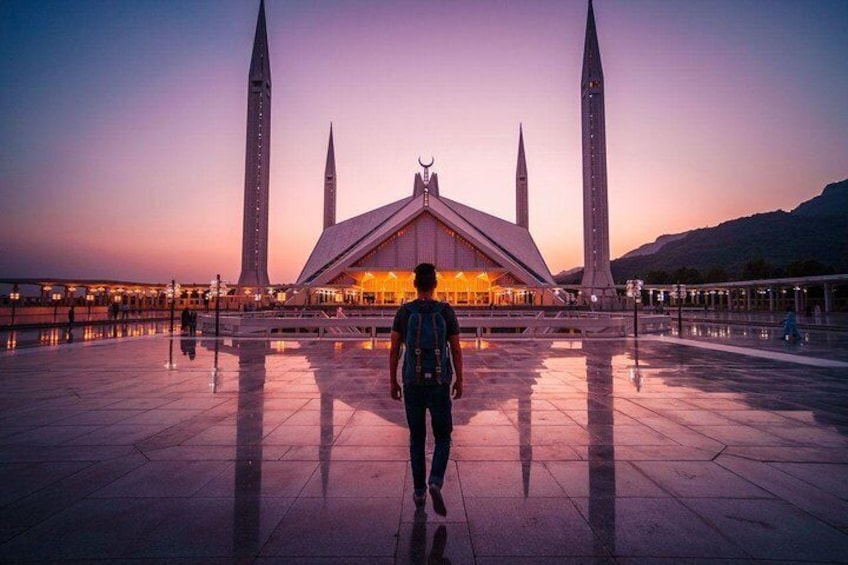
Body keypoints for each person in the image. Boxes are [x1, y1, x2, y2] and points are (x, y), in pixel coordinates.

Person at [389, 263, 463, 516]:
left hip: (412, 383)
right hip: (440, 384)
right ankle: (435, 480)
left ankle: (419, 492)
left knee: (417, 439)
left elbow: (395, 349)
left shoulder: (405, 312)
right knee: (443, 437)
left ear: (415, 284)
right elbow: (455, 348)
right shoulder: (445, 311)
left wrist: (392, 381)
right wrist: (460, 379)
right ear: (435, 285)